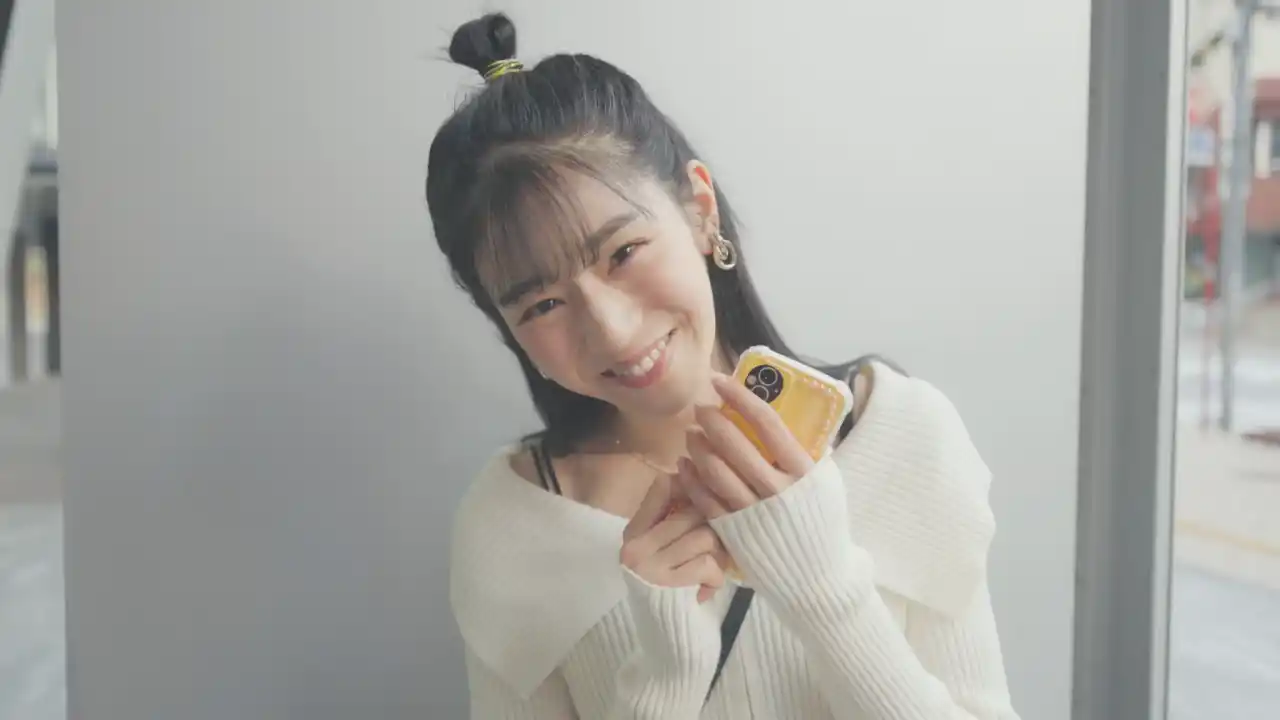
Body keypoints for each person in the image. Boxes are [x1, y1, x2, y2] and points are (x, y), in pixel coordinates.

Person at [430, 13, 1019, 720]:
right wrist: (666, 677)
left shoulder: (899, 436)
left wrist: (823, 590)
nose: (611, 330)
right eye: (543, 304)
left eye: (623, 253)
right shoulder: (517, 524)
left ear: (700, 211)